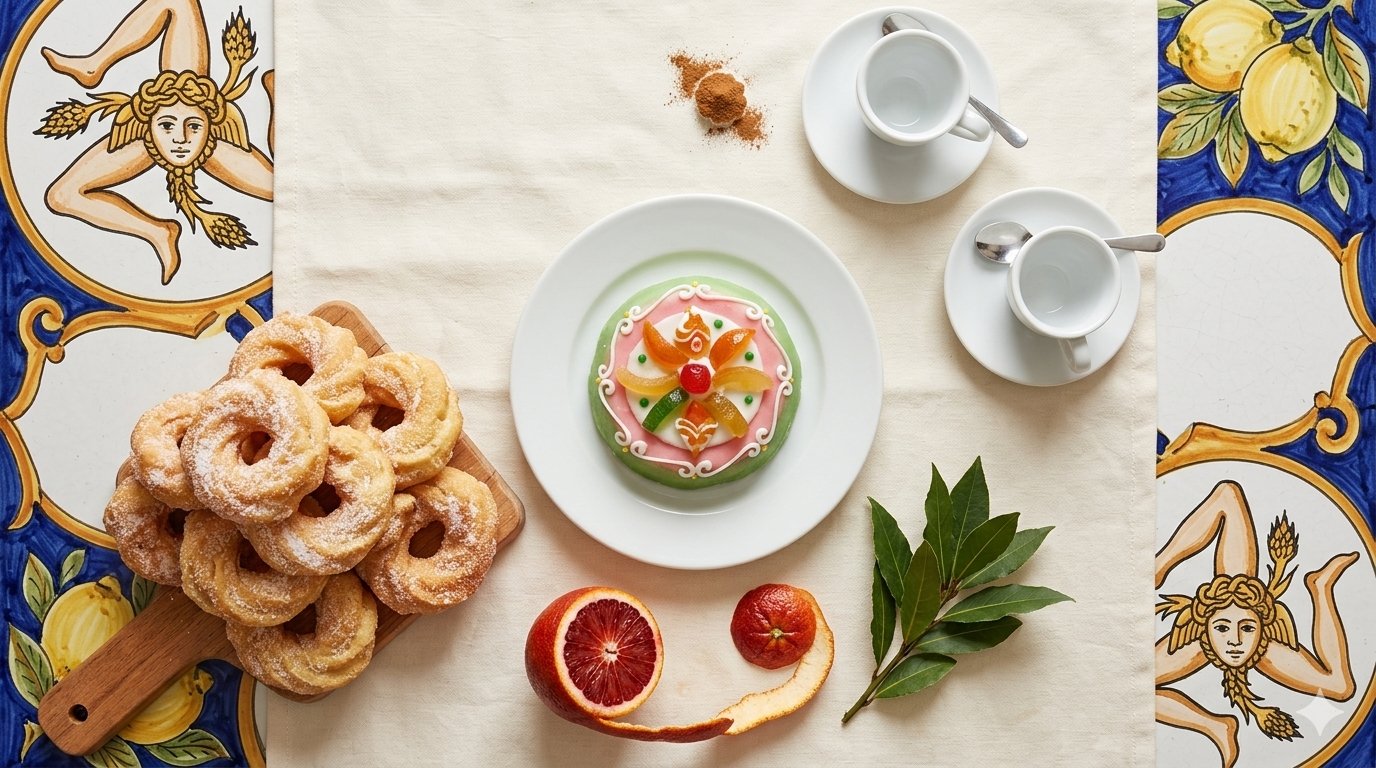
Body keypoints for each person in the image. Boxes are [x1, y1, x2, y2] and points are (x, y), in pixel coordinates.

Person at [36, 0, 273, 284]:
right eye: (167, 126)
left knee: (285, 186)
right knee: (61, 196)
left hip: (200, 117)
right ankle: (93, 66)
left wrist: (276, 98)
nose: (180, 139)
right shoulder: (139, 141)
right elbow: (63, 198)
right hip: (150, 136)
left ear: (213, 125)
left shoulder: (221, 148)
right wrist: (149, 228)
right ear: (146, 124)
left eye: (194, 126)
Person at [1155, 480, 1358, 767]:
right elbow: (1225, 495)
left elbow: (1339, 684)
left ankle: (1319, 584)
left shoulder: (1267, 649)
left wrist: (1323, 593)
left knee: (1340, 687)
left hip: (1251, 620)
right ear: (1203, 626)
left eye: (1247, 628)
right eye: (1222, 628)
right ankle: (1216, 727)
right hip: (1212, 624)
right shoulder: (1197, 642)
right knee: (1134, 685)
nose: (1235, 641)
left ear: (1265, 627)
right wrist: (1161, 564)